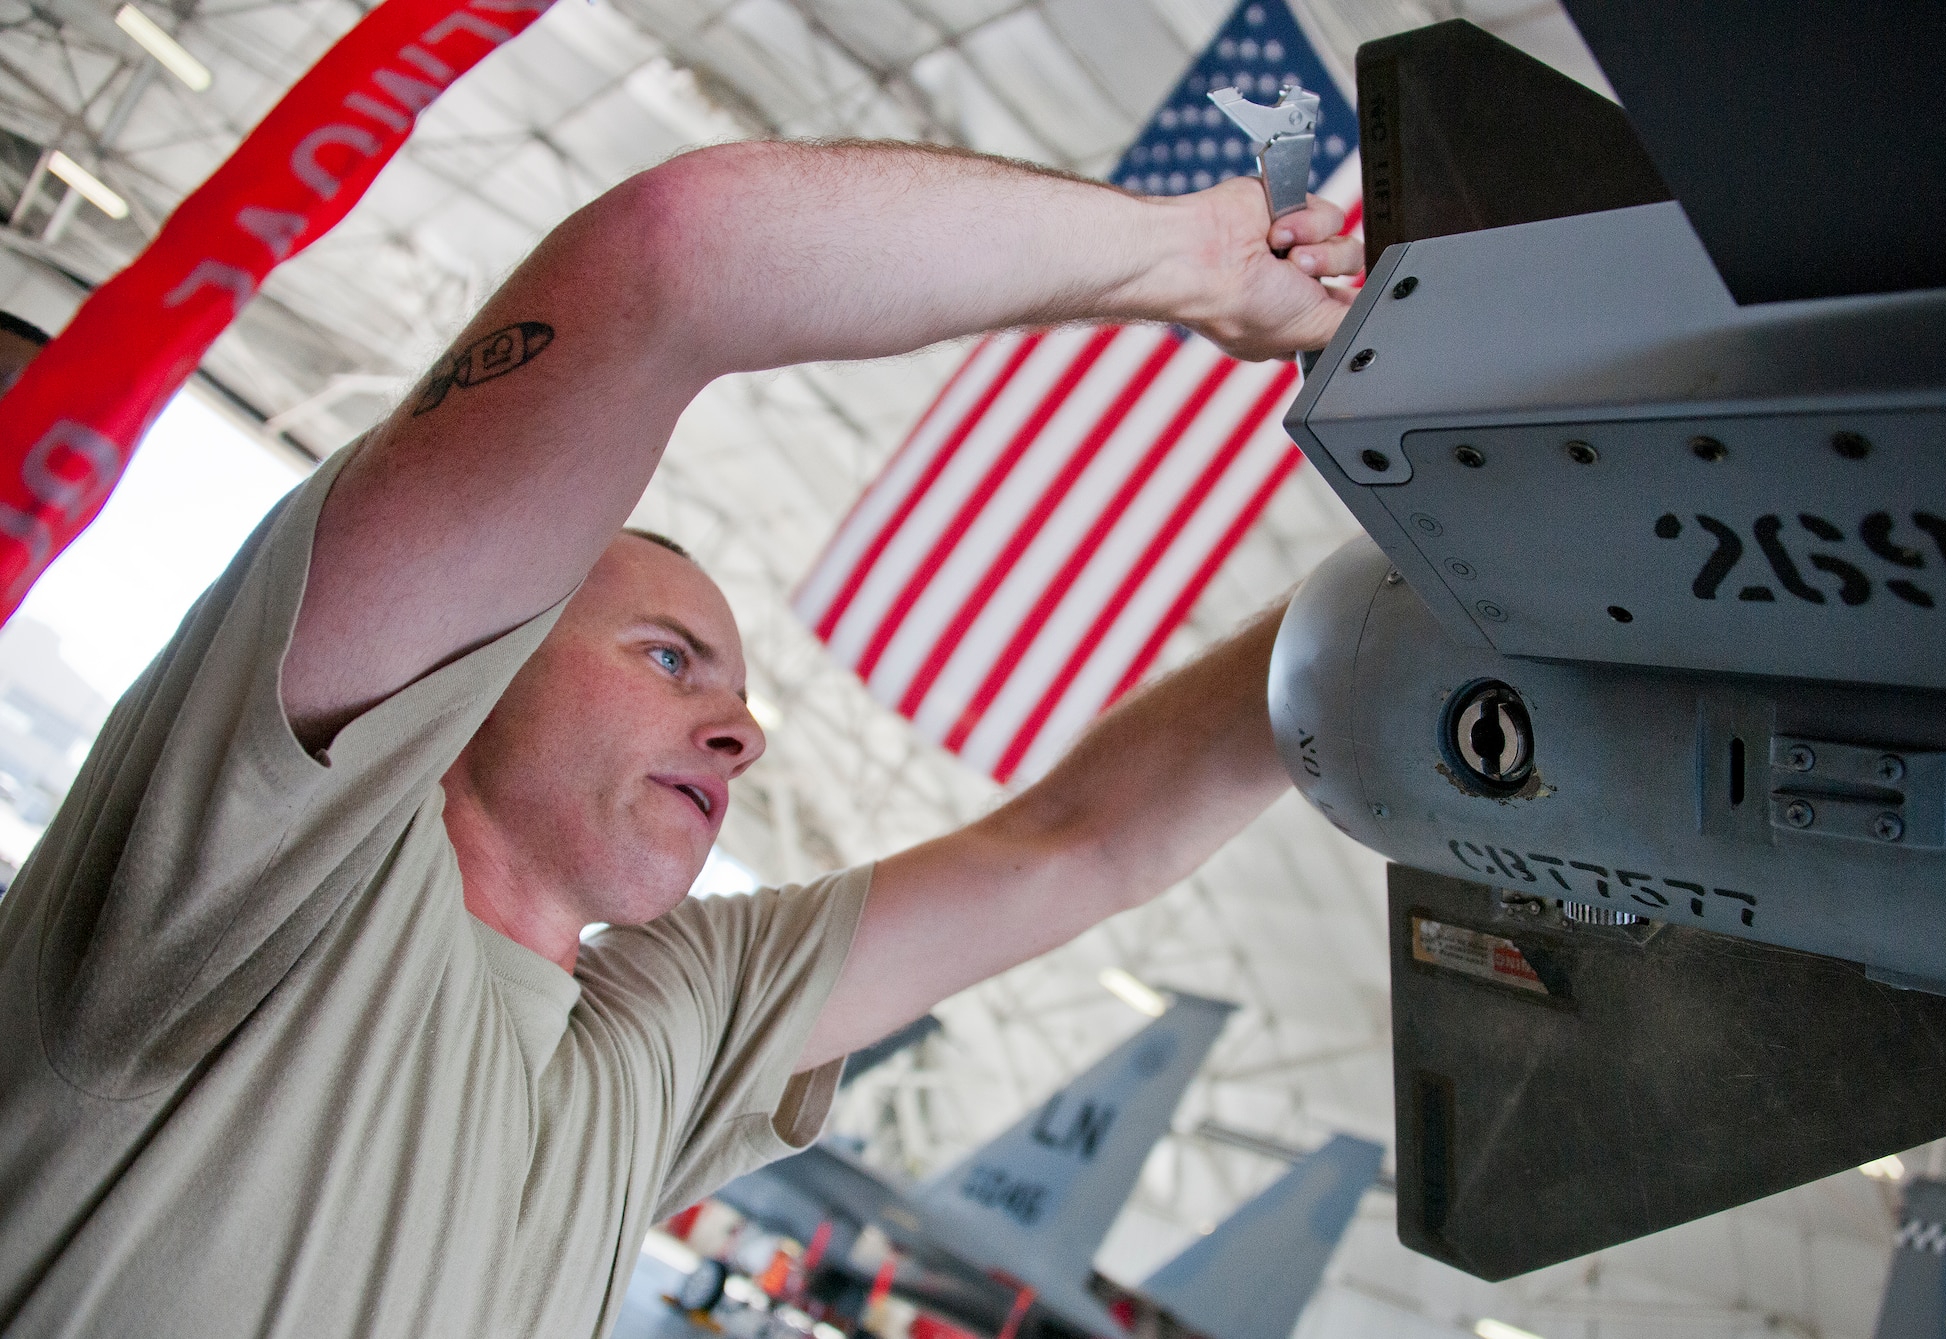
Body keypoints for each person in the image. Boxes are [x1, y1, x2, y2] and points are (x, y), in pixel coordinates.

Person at [0, 140, 1363, 1337]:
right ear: (477, 666)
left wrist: (1417, 568)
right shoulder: (262, 863)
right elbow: (672, 260)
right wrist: (1188, 254)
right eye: (669, 660)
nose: (741, 734)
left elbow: (1083, 843)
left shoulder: (653, 1039)